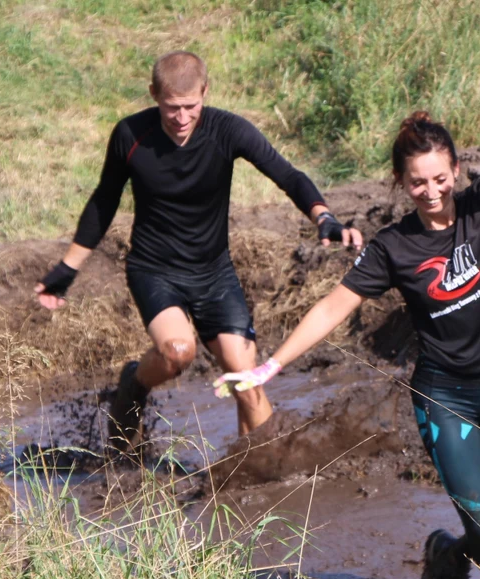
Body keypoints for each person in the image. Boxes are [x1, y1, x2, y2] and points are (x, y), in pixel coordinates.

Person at [213, 69, 480, 579]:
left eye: (440, 178)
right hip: (446, 397)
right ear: (401, 182)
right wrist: (269, 366)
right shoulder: (393, 247)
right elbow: (333, 306)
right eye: (418, 182)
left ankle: (447, 554)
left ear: (456, 170)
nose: (432, 191)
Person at [34, 51, 362, 457]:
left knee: (246, 380)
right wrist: (68, 268)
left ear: (205, 92)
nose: (182, 117)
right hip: (154, 270)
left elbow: (287, 174)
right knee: (178, 352)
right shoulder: (130, 135)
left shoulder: (228, 130)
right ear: (154, 94)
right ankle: (135, 381)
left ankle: (256, 472)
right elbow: (104, 201)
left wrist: (324, 217)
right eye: (172, 108)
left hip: (214, 273)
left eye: (192, 106)